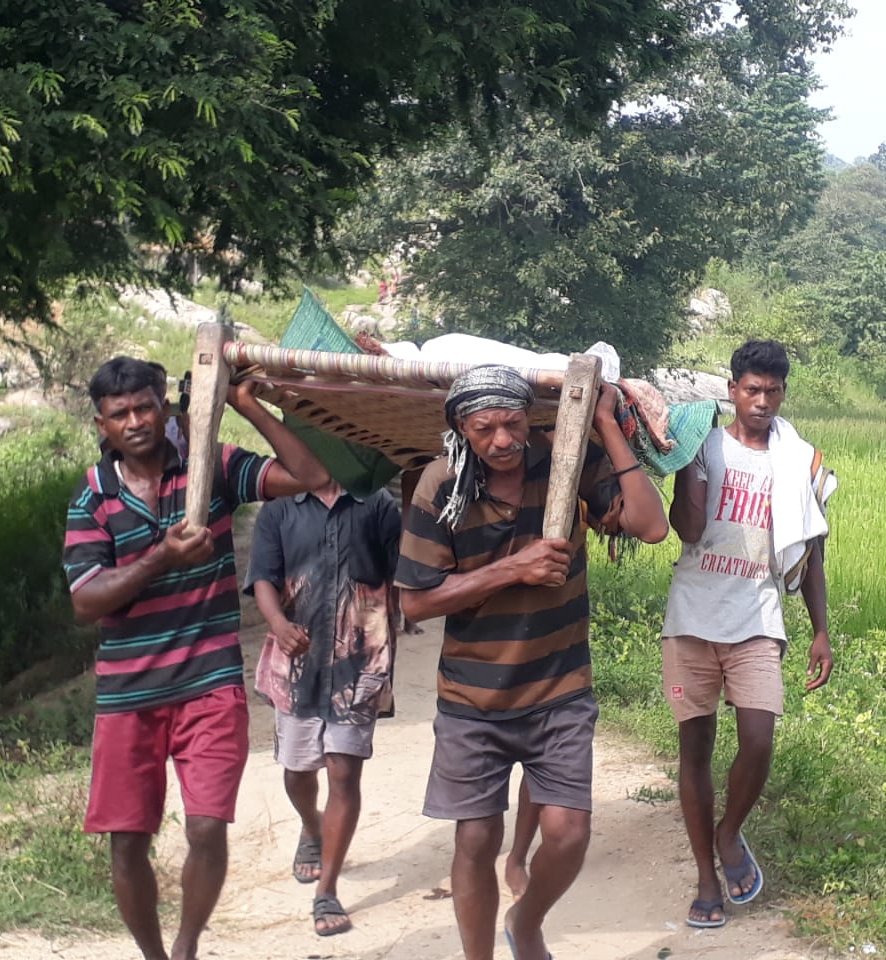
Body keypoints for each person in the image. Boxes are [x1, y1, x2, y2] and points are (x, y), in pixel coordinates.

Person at [394, 365, 668, 960]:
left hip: (560, 686)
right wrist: (509, 570)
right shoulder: (440, 486)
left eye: (512, 423)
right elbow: (415, 599)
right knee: (476, 838)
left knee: (569, 835)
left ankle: (528, 919)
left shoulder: (567, 461)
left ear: (530, 418)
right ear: (461, 429)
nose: (501, 440)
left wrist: (603, 424)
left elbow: (651, 525)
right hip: (473, 700)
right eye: (484, 428)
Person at [62, 356, 330, 960]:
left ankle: (185, 948)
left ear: (166, 406)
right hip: (128, 695)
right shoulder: (92, 498)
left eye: (145, 407)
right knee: (128, 842)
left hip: (209, 681)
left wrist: (244, 404)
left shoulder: (214, 466)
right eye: (119, 414)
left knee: (207, 825)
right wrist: (159, 559)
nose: (134, 422)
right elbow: (85, 601)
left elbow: (310, 476)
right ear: (101, 424)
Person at [661, 339, 837, 929]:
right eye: (752, 390)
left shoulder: (799, 460)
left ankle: (728, 831)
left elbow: (812, 552)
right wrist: (686, 464)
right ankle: (706, 878)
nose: (762, 402)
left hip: (758, 618)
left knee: (759, 739)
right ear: (733, 390)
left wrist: (821, 631)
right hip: (692, 618)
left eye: (773, 391)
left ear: (784, 393)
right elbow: (686, 530)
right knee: (697, 750)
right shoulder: (706, 447)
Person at [244, 476, 401, 936]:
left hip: (362, 659)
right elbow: (262, 580)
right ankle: (312, 828)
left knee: (344, 770)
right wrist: (277, 622)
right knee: (297, 771)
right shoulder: (278, 511)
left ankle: (326, 890)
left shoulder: (377, 503)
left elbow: (404, 568)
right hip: (298, 661)